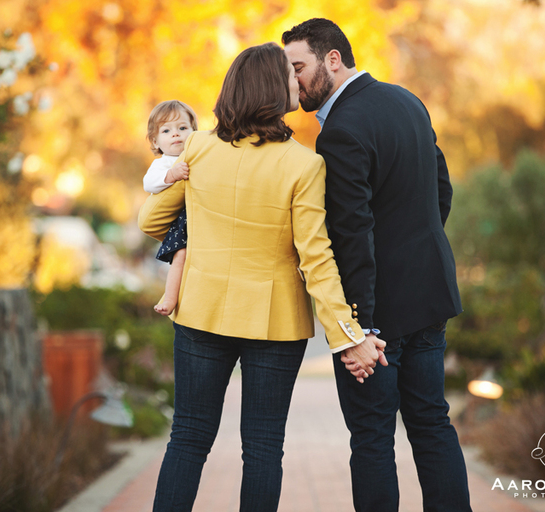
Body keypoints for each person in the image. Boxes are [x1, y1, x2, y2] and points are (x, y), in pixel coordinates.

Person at [138, 42, 385, 512]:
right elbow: (317, 259)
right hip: (274, 324)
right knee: (264, 448)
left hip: (202, 312)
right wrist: (348, 336)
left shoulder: (198, 150)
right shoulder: (304, 165)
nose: (297, 82)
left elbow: (150, 224)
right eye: (289, 77)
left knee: (188, 438)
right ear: (274, 90)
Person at [283, 18, 473, 512]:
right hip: (430, 295)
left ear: (331, 59)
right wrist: (417, 251)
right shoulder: (407, 101)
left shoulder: (341, 131)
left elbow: (352, 235)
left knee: (372, 438)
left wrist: (357, 329)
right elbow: (441, 192)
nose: (293, 80)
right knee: (432, 423)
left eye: (298, 66)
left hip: (378, 319)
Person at [143, 100, 198, 315]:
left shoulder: (198, 155)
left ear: (194, 132)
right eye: (167, 131)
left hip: (200, 214)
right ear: (156, 142)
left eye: (183, 128)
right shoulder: (163, 163)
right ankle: (170, 299)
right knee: (181, 255)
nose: (176, 134)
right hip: (181, 221)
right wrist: (172, 175)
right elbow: (149, 183)